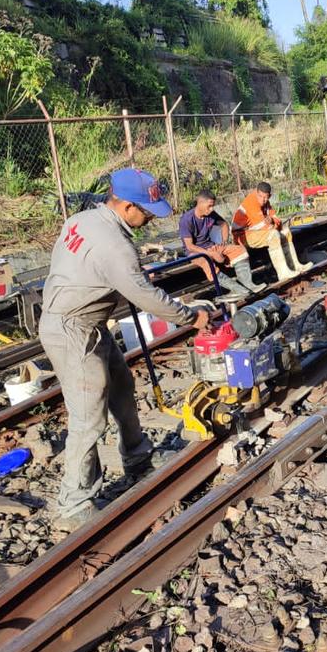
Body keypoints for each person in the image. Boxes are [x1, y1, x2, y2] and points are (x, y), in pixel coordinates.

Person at [39, 168, 211, 530]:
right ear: (127, 205)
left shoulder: (84, 219)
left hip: (88, 323)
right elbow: (146, 296)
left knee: (122, 387)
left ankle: (137, 457)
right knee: (89, 418)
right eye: (147, 212)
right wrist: (190, 317)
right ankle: (74, 503)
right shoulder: (114, 245)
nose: (150, 219)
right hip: (74, 329)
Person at [180, 189, 262, 296]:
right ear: (200, 203)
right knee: (207, 262)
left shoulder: (211, 214)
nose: (212, 209)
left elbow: (224, 225)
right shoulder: (186, 219)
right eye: (209, 206)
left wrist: (223, 242)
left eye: (213, 206)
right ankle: (236, 289)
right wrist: (211, 254)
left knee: (240, 250)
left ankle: (248, 284)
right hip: (195, 253)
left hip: (211, 246)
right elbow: (190, 246)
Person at [232, 181, 313, 281]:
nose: (263, 200)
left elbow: (276, 220)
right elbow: (265, 227)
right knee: (273, 235)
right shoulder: (251, 203)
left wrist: (272, 221)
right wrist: (273, 224)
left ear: (269, 196)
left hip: (254, 232)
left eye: (266, 197)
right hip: (242, 235)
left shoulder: (266, 203)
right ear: (256, 193)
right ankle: (283, 273)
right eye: (260, 196)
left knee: (286, 232)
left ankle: (295, 266)